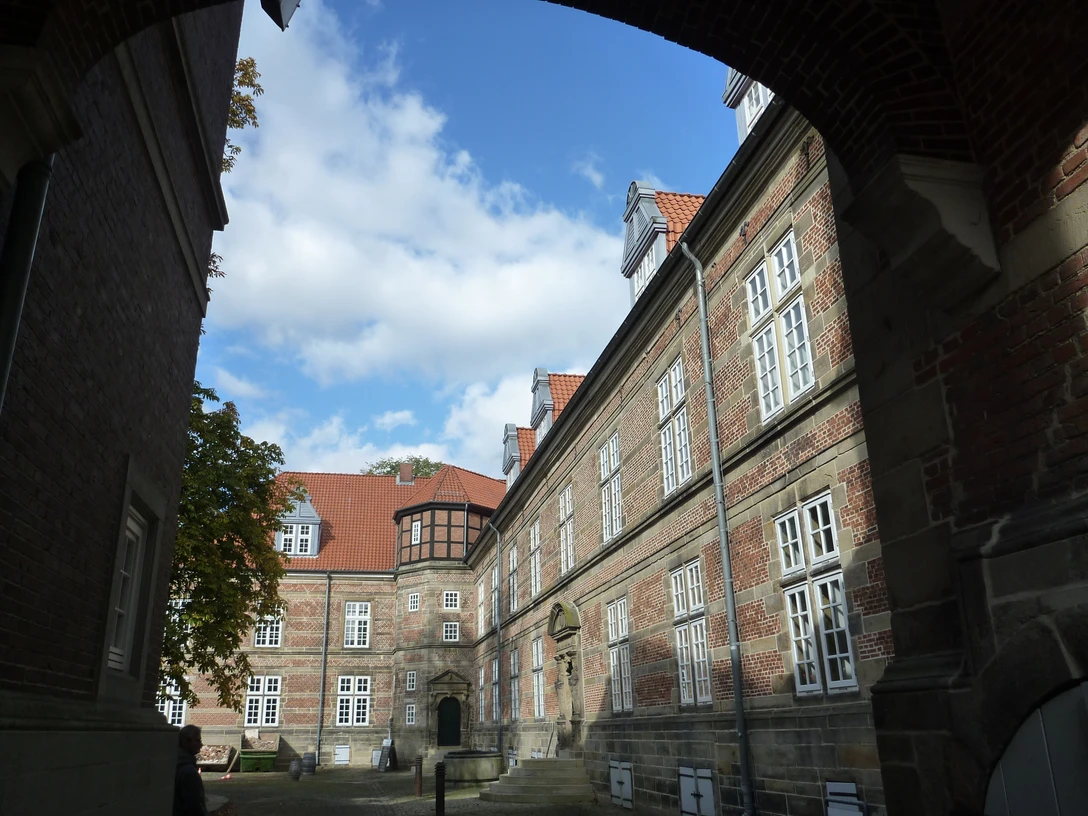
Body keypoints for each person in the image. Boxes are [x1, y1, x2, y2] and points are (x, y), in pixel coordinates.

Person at [174, 724, 209, 816]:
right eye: (197, 740)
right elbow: (194, 805)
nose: (201, 744)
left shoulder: (174, 762)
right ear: (185, 742)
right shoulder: (188, 771)